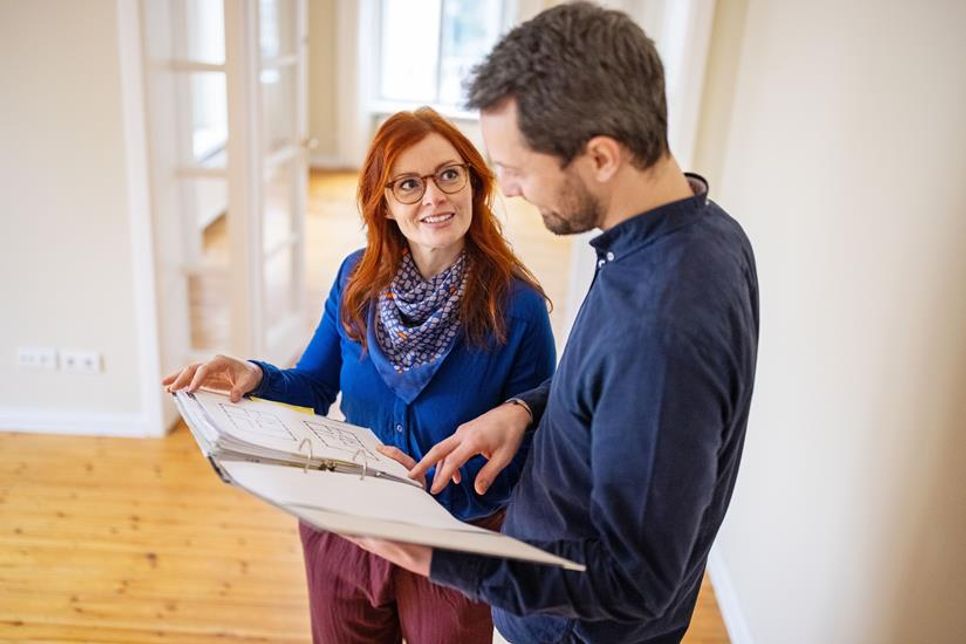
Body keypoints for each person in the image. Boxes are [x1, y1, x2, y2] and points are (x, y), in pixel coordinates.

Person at [349, 3, 760, 643]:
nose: (506, 189)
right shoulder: (695, 231)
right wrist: (527, 410)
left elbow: (633, 583)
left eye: (516, 167)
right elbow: (609, 395)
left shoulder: (661, 324)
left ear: (600, 157)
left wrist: (436, 554)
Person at [162, 107, 556, 644]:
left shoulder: (518, 306)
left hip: (454, 544)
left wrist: (463, 478)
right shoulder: (356, 277)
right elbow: (315, 387)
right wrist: (254, 373)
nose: (434, 198)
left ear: (474, 183)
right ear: (386, 204)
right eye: (409, 185)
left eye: (449, 174)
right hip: (346, 527)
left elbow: (535, 440)